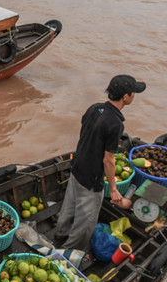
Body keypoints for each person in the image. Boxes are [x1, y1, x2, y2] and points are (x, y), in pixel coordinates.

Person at [53, 75, 146, 251]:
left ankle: (60, 234)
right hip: (92, 178)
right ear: (125, 97)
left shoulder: (95, 108)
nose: (134, 95)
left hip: (78, 166)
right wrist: (113, 189)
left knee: (70, 205)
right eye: (133, 92)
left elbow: (87, 131)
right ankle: (69, 254)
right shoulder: (115, 124)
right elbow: (109, 160)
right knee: (86, 221)